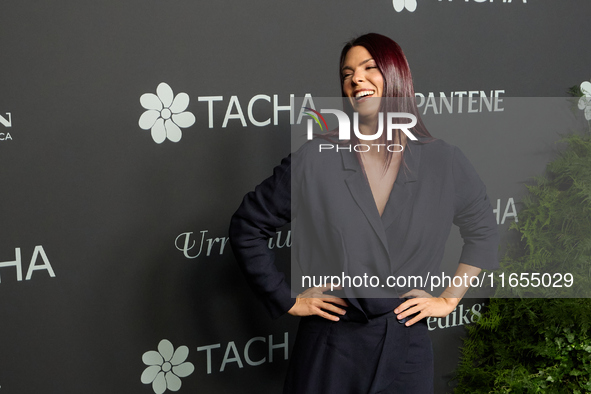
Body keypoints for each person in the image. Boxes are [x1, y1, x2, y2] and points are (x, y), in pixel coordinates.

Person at [229, 33, 499, 394]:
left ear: (397, 75)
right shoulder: (316, 157)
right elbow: (248, 225)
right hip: (330, 346)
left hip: (406, 349)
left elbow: (483, 230)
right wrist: (287, 299)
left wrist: (449, 299)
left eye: (370, 68)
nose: (355, 78)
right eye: (347, 73)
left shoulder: (444, 162)